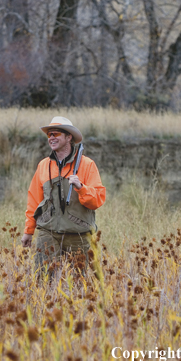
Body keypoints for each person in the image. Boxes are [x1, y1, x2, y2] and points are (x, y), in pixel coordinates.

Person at [22, 116, 106, 275]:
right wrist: (29, 230)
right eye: (49, 135)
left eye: (56, 134)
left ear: (69, 137)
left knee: (80, 284)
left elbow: (97, 199)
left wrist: (81, 188)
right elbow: (34, 200)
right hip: (48, 231)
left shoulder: (87, 165)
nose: (51, 137)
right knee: (43, 280)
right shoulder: (43, 165)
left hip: (79, 233)